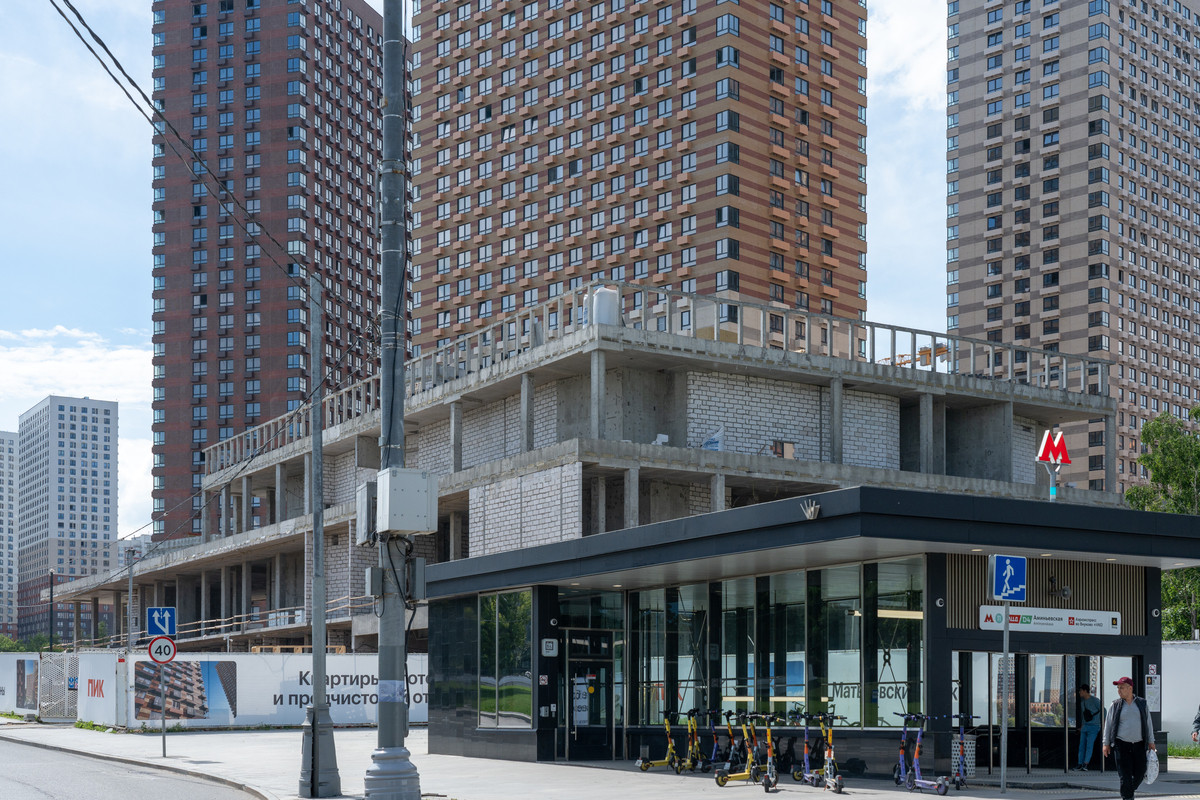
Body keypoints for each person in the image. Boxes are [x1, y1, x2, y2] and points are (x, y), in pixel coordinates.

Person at [1102, 677, 1156, 800]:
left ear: (1130, 688)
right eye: (1118, 688)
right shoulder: (1115, 705)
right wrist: (1106, 743)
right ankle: (1127, 797)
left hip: (1139, 745)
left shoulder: (1142, 704)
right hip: (1121, 745)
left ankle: (1128, 791)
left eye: (1121, 688)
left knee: (1140, 773)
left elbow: (1148, 723)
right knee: (1125, 776)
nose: (1119, 690)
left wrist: (1151, 741)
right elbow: (1108, 725)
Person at [1073, 684, 1102, 771]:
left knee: (1089, 745)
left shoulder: (1095, 700)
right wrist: (1081, 727)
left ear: (1085, 691)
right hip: (1085, 726)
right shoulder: (1083, 703)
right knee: (1081, 746)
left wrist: (1103, 724)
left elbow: (1103, 711)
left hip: (1094, 726)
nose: (1079, 692)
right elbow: (1084, 716)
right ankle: (1080, 764)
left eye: (1080, 691)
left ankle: (1085, 764)